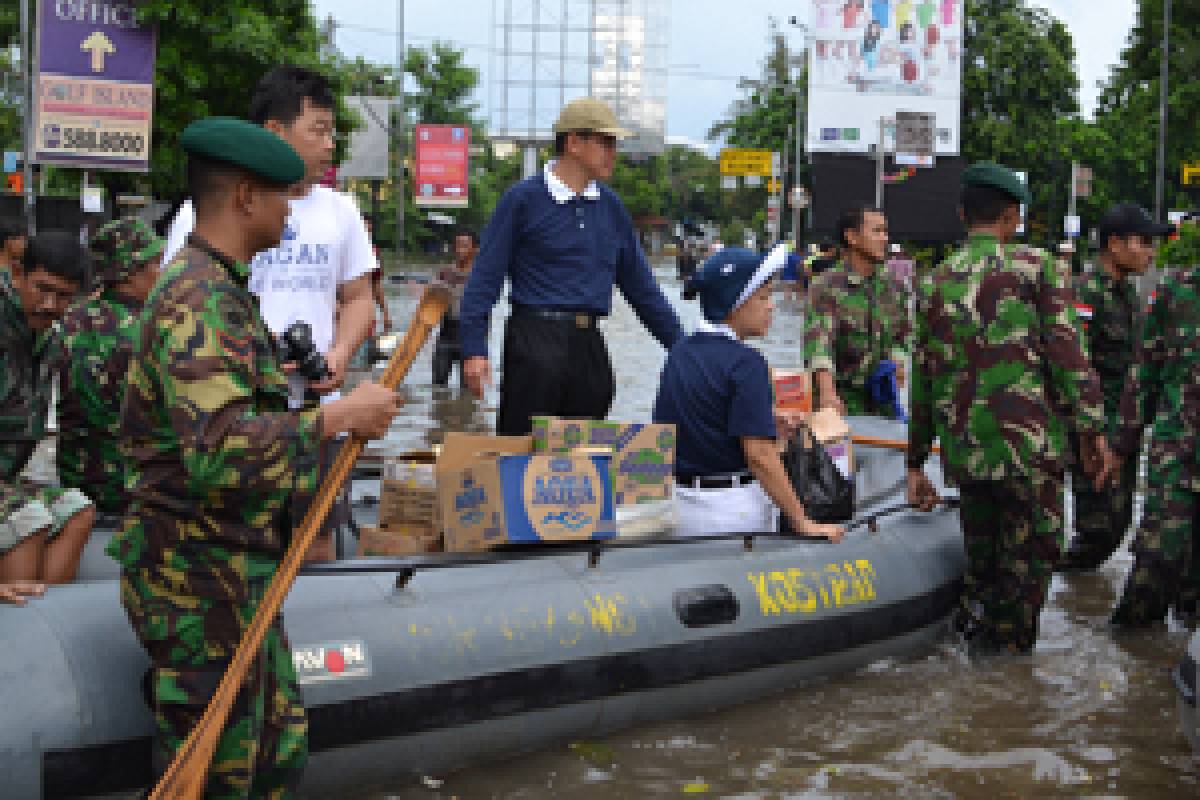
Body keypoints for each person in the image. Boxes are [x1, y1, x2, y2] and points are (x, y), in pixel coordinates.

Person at [106, 117, 400, 796]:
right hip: (194, 580)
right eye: (281, 197)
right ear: (244, 197)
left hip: (237, 573)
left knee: (275, 755)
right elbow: (218, 453)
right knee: (221, 775)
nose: (289, 213)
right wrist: (333, 419)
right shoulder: (198, 300)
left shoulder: (226, 292)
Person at [906, 162, 1114, 655]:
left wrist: (914, 461)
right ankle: (1011, 688)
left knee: (985, 573)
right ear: (1012, 216)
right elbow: (1069, 355)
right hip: (1029, 454)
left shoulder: (935, 280)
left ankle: (977, 673)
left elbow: (923, 377)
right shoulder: (1038, 268)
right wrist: (1093, 432)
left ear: (963, 215)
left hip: (966, 454)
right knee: (1030, 571)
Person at [460, 97, 683, 434]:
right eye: (605, 142)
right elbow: (484, 279)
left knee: (585, 460)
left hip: (589, 343)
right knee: (523, 454)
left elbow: (642, 289)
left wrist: (684, 349)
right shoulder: (523, 200)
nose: (613, 153)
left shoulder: (611, 208)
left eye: (615, 144)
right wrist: (474, 350)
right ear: (574, 142)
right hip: (534, 341)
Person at [162, 66, 379, 400]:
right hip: (234, 403)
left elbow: (359, 297)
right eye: (318, 132)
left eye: (331, 134)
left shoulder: (342, 210)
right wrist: (259, 349)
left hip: (316, 408)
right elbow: (174, 307)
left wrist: (340, 353)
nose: (329, 145)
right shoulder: (207, 211)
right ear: (276, 131)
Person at [655, 246, 844, 542]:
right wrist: (801, 520)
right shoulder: (747, 362)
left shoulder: (679, 352)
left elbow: (697, 420)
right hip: (732, 513)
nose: (772, 306)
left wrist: (765, 422)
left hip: (681, 509)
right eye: (764, 296)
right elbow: (760, 456)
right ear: (735, 303)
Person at [1059, 205, 1170, 572]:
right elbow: (1077, 366)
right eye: (1143, 242)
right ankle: (1062, 594)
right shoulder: (1086, 292)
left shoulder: (1128, 294)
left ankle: (1077, 601)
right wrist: (1093, 434)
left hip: (1120, 428)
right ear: (1115, 245)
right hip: (1094, 430)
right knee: (1098, 528)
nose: (1150, 252)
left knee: (1117, 524)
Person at [1110, 215, 1200, 627]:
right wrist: (1120, 447)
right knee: (1155, 560)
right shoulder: (1175, 290)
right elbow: (1143, 375)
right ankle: (1132, 654)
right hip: (1176, 455)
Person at [1, 231, 95, 585]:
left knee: (77, 510)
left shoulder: (47, 339)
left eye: (64, 295)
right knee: (25, 520)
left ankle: (48, 629)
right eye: (42, 288)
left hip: (7, 482)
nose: (50, 304)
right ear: (17, 275)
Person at [55, 218, 164, 515]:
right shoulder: (152, 331)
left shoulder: (69, 321)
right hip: (135, 489)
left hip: (76, 485)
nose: (162, 272)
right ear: (129, 274)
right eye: (155, 263)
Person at [805, 206, 910, 417]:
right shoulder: (826, 286)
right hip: (840, 404)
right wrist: (827, 394)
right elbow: (819, 345)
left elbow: (903, 336)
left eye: (886, 232)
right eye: (877, 231)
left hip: (883, 405)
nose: (884, 239)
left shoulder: (895, 286)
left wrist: (897, 364)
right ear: (852, 236)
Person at [432, 228, 477, 388]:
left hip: (469, 339)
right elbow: (431, 306)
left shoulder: (480, 276)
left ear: (475, 249)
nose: (460, 250)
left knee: (468, 393)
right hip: (445, 336)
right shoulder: (444, 273)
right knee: (438, 389)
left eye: (465, 246)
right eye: (457, 245)